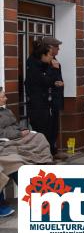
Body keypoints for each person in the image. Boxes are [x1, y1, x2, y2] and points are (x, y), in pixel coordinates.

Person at [0, 89, 54, 217]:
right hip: (7, 141)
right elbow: (2, 133)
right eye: (3, 96)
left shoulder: (6, 110)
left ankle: (43, 162)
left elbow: (16, 124)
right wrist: (19, 134)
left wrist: (23, 129)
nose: (6, 98)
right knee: (17, 163)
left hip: (17, 136)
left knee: (39, 137)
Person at [25, 41, 63, 160]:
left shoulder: (44, 64)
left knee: (51, 129)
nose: (52, 57)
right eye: (50, 55)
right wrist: (54, 70)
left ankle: (51, 153)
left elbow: (49, 80)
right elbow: (44, 80)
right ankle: (44, 157)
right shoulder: (34, 66)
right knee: (42, 131)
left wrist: (55, 81)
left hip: (48, 102)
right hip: (38, 104)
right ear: (44, 55)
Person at [41, 36, 68, 160]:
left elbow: (57, 79)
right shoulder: (42, 61)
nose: (59, 49)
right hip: (46, 101)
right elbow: (46, 80)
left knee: (54, 127)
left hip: (56, 99)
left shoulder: (55, 60)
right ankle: (48, 154)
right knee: (47, 128)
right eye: (57, 47)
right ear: (49, 48)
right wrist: (53, 69)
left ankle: (54, 150)